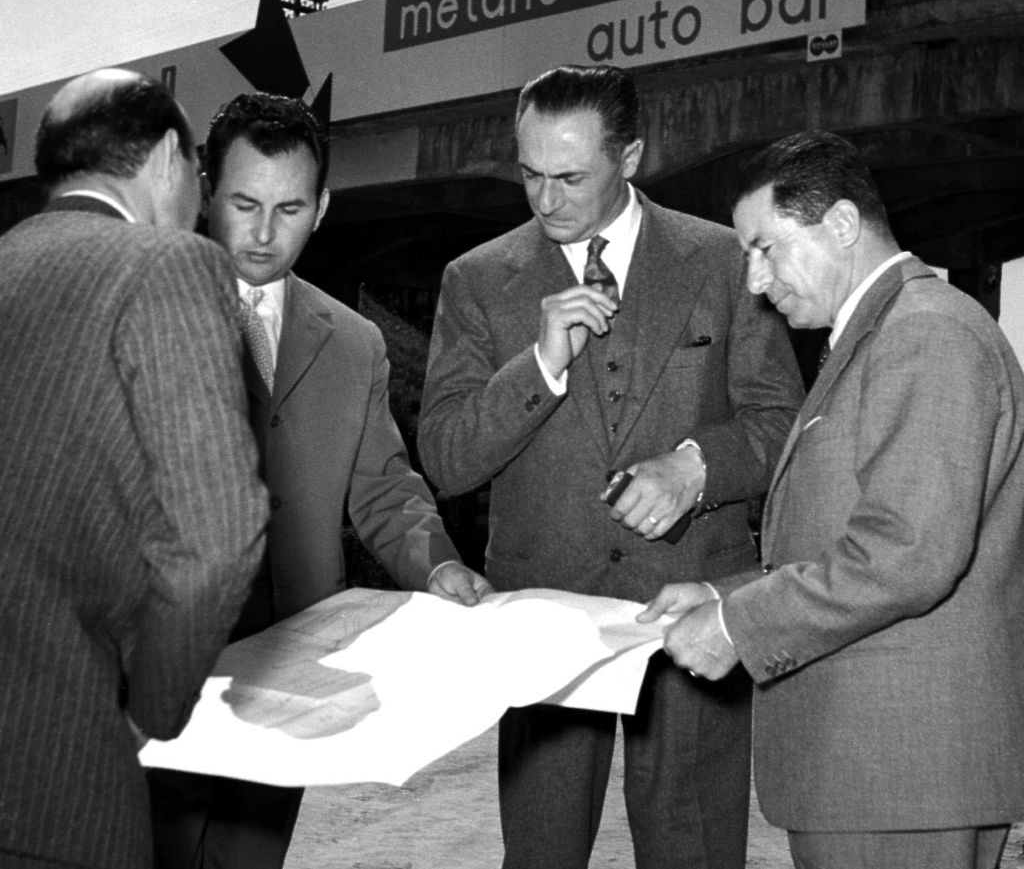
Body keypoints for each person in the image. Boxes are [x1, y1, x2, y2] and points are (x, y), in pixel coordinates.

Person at [418, 64, 804, 869]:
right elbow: (447, 458)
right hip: (542, 615)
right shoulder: (476, 279)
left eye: (569, 176)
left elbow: (784, 427)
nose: (545, 199)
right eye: (529, 173)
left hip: (691, 609)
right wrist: (539, 367)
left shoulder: (724, 261)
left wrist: (696, 468)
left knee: (695, 854)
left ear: (629, 157)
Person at [640, 130, 1024, 869]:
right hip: (881, 772)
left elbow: (906, 554)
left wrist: (738, 624)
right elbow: (841, 539)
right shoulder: (884, 333)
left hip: (898, 776)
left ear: (842, 223)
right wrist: (721, 594)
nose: (755, 281)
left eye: (765, 248)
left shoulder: (925, 333)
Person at [148, 91, 492, 869]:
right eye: (244, 203)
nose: (264, 233)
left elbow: (384, 487)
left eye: (291, 208)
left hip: (294, 670)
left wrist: (437, 564)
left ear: (323, 207)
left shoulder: (355, 343)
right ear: (204, 191)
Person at [0, 69, 268, 869]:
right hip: (61, 784)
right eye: (200, 170)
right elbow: (217, 540)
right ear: (165, 158)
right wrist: (150, 712)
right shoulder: (168, 265)